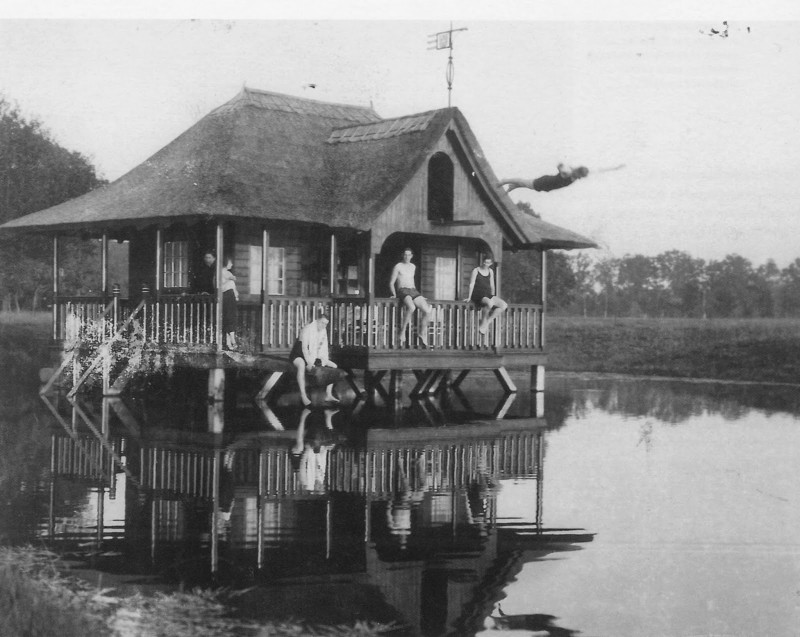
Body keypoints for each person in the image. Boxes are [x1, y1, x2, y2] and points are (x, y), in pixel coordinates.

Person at [290, 313, 339, 406]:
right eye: (322, 323)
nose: (324, 325)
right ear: (317, 320)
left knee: (334, 366)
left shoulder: (323, 330)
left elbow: (323, 348)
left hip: (313, 355)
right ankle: (303, 395)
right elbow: (304, 348)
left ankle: (328, 394)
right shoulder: (307, 329)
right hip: (299, 354)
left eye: (326, 324)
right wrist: (309, 363)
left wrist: (323, 360)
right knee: (301, 365)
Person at [388, 248, 433, 348]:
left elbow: (412, 281)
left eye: (409, 255)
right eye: (405, 255)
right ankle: (402, 331)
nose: (407, 257)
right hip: (402, 290)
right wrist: (394, 294)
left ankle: (421, 333)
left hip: (413, 290)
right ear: (402, 255)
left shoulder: (413, 266)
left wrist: (419, 296)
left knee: (428, 310)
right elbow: (391, 283)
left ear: (411, 256)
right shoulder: (398, 266)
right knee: (412, 307)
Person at [464, 256, 508, 335]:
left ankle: (486, 323)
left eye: (488, 263)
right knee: (489, 303)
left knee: (504, 305)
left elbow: (492, 285)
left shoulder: (490, 271)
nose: (485, 264)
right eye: (484, 262)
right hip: (478, 294)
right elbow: (472, 284)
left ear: (490, 263)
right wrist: (469, 297)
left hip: (488, 294)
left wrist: (494, 296)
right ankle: (483, 321)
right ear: (482, 261)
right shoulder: (476, 270)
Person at [500, 163, 589, 193]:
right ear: (578, 172)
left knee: (528, 185)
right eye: (580, 175)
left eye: (581, 177)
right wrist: (561, 169)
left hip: (548, 186)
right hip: (546, 181)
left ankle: (512, 186)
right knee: (525, 182)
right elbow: (560, 167)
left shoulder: (573, 176)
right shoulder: (568, 173)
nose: (580, 178)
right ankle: (505, 181)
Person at [221, 257, 239, 350]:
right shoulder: (223, 272)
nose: (231, 265)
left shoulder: (226, 272)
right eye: (230, 263)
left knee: (230, 318)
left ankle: (229, 344)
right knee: (229, 318)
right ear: (226, 263)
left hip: (229, 295)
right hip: (227, 295)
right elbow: (233, 278)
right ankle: (233, 341)